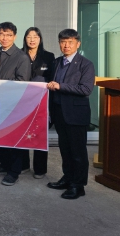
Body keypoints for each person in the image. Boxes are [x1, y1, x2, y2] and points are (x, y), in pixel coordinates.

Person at [46, 29, 95, 200]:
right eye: (63, 42)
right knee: (65, 149)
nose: (66, 45)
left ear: (78, 44)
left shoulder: (85, 64)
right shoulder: (56, 62)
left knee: (78, 152)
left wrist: (60, 86)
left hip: (76, 114)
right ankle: (67, 178)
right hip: (59, 112)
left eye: (70, 42)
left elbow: (86, 89)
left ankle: (78, 185)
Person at [0, 22, 32, 186]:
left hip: (14, 104)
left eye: (8, 35)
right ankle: (4, 164)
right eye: (1, 34)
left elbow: (22, 82)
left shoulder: (21, 57)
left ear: (15, 37)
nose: (4, 38)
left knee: (14, 139)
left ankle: (14, 172)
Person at [22, 27, 55, 179]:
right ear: (25, 39)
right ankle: (23, 165)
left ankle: (40, 169)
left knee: (39, 135)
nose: (32, 39)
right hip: (23, 102)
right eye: (29, 36)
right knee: (22, 133)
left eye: (35, 36)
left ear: (40, 39)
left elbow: (52, 79)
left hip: (42, 103)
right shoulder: (20, 55)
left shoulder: (48, 56)